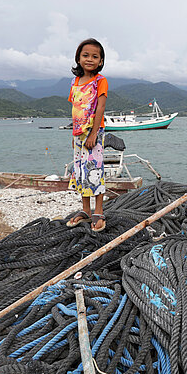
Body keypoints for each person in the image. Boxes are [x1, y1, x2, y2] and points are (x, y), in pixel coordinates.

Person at [66, 38, 108, 232]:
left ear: (100, 61)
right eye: (85, 55)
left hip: (94, 132)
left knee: (94, 170)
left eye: (94, 56)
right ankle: (85, 210)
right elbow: (76, 108)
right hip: (78, 134)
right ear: (78, 58)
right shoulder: (75, 81)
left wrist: (93, 133)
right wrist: (73, 136)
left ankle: (98, 211)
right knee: (80, 171)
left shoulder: (100, 81)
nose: (89, 59)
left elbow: (100, 107)